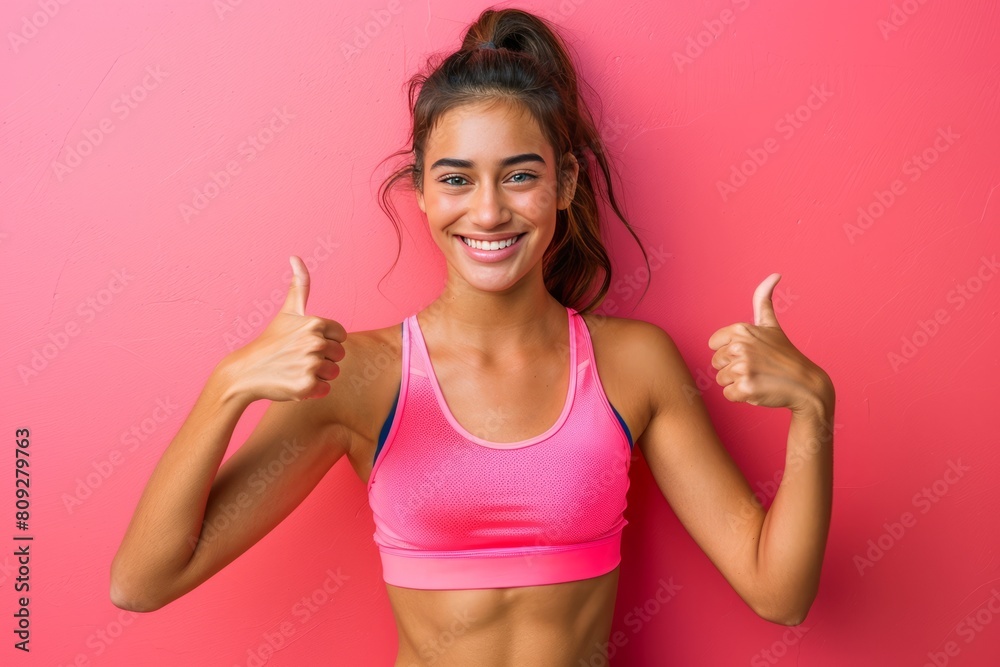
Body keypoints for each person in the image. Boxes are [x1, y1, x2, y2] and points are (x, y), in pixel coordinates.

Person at [110, 7, 835, 666]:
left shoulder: (633, 365)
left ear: (567, 182)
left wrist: (814, 409)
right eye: (456, 180)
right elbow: (143, 582)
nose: (488, 212)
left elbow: (780, 593)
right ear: (421, 190)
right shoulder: (359, 376)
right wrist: (228, 385)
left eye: (520, 175)